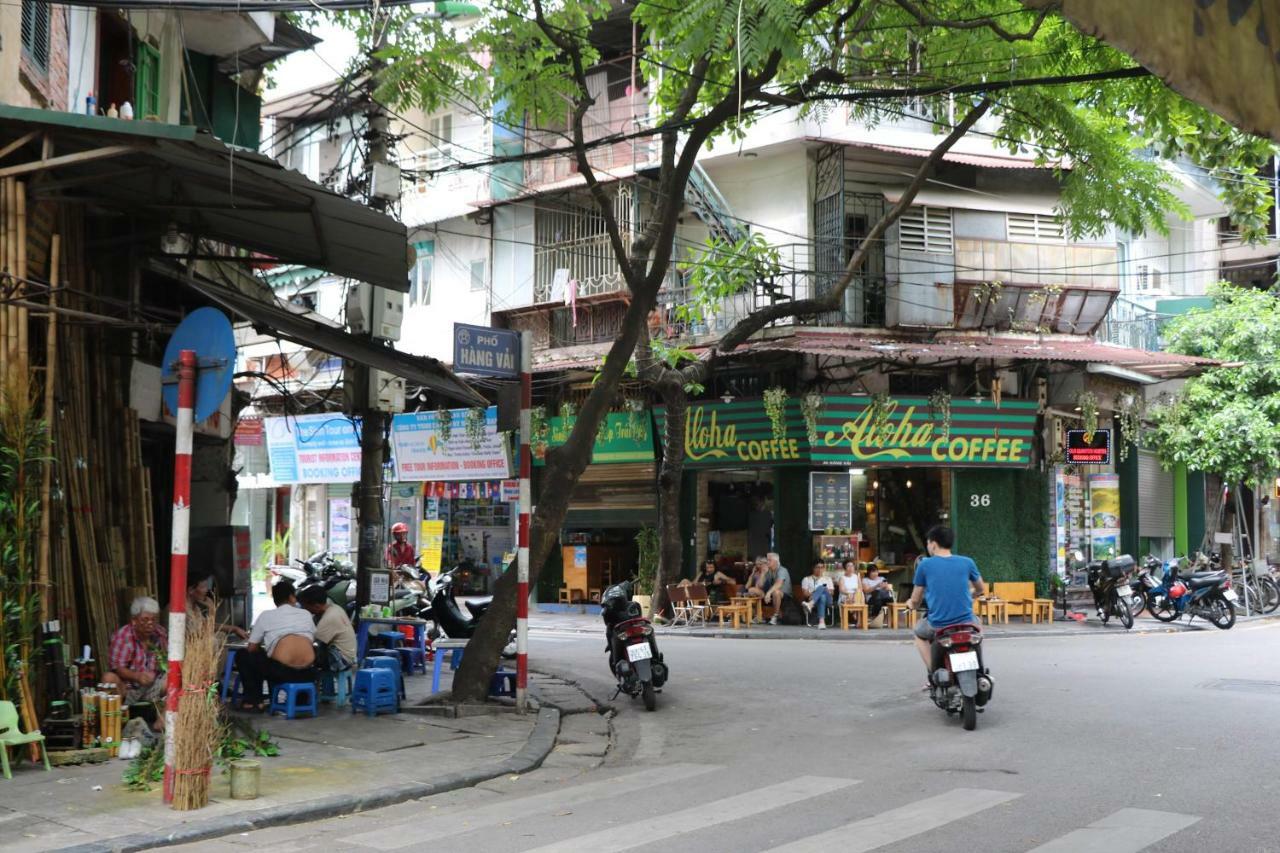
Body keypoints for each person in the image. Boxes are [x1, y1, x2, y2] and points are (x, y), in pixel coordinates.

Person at [908, 526, 985, 685]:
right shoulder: (967, 562)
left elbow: (915, 600)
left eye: (928, 543)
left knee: (919, 633)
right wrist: (972, 595)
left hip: (939, 625)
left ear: (933, 544)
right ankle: (980, 669)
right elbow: (980, 588)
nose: (928, 547)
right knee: (978, 626)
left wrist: (910, 604)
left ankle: (933, 672)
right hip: (966, 624)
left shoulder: (925, 565)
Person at [236, 580, 316, 711]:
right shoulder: (306, 614)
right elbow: (311, 639)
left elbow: (252, 648)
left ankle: (254, 700)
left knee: (245, 655)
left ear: (275, 599)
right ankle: (301, 700)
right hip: (308, 673)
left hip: (281, 673)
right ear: (291, 597)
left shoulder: (266, 616)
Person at [104, 597, 168, 726]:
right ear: (134, 621)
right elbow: (116, 667)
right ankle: (114, 724)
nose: (150, 623)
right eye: (145, 619)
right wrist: (137, 676)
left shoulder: (160, 634)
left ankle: (160, 726)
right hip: (128, 688)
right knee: (108, 678)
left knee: (174, 677)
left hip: (152, 686)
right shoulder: (123, 636)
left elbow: (168, 660)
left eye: (154, 619)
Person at [298, 583, 357, 671]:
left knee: (304, 656)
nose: (305, 609)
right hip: (348, 654)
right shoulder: (335, 607)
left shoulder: (328, 618)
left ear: (316, 606)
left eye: (305, 606)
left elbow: (312, 641)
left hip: (341, 659)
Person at [186, 574, 249, 640]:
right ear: (191, 590)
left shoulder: (195, 607)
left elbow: (208, 625)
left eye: (206, 586)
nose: (206, 590)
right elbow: (205, 629)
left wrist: (235, 629)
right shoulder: (185, 609)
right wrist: (211, 609)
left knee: (221, 635)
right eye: (203, 587)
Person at [800, 562, 834, 629]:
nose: (820, 569)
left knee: (822, 587)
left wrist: (823, 589)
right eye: (817, 567)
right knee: (822, 596)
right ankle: (822, 622)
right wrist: (816, 592)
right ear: (813, 568)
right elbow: (805, 594)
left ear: (824, 569)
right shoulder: (806, 579)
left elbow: (832, 592)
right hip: (815, 600)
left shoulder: (828, 579)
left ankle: (810, 604)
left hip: (828, 601)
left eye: (822, 567)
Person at [764, 552, 792, 625]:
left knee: (776, 592)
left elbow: (779, 583)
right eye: (767, 560)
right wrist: (762, 573)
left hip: (786, 596)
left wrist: (768, 593)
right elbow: (760, 585)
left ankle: (775, 616)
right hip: (772, 595)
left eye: (769, 560)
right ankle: (758, 616)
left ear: (776, 561)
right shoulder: (769, 571)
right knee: (755, 591)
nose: (767, 562)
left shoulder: (782, 570)